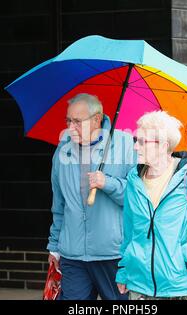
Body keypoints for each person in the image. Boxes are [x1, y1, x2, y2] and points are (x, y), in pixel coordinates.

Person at [116, 111, 187, 300]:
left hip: (181, 287)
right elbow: (129, 230)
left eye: (142, 142)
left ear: (163, 146)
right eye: (136, 140)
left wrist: (183, 257)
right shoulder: (134, 179)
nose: (135, 147)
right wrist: (124, 270)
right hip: (139, 285)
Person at [47, 93, 136, 300]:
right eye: (68, 121)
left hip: (113, 254)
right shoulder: (63, 150)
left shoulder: (126, 145)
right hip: (72, 254)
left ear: (97, 119)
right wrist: (54, 246)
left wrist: (108, 183)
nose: (71, 127)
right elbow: (59, 204)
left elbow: (137, 198)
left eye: (77, 121)